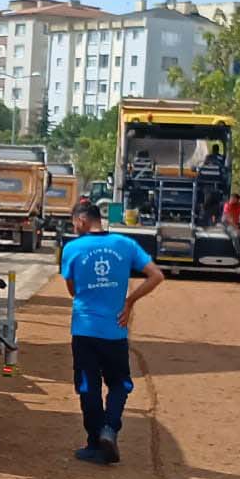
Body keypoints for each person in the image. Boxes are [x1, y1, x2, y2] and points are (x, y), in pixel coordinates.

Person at [59, 198, 165, 465]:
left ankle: (95, 443)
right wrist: (129, 302)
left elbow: (72, 290)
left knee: (88, 386)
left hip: (84, 330)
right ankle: (110, 428)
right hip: (115, 331)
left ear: (82, 220)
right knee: (119, 383)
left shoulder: (72, 249)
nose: (74, 228)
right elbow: (156, 275)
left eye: (74, 223)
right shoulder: (125, 244)